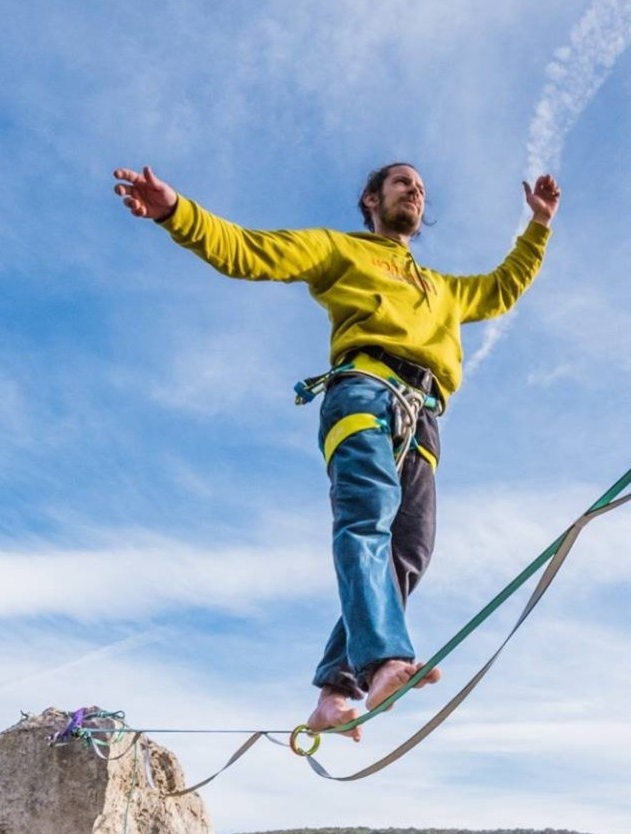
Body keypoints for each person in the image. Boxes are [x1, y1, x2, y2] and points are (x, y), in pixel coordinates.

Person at [113, 162, 561, 741]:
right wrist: (177, 212)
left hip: (424, 417)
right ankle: (383, 663)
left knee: (410, 551)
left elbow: (502, 288)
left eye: (421, 186)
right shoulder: (340, 251)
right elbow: (250, 251)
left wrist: (539, 226)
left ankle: (335, 692)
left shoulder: (445, 291)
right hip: (364, 392)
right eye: (402, 182)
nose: (415, 190)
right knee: (365, 519)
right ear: (371, 199)